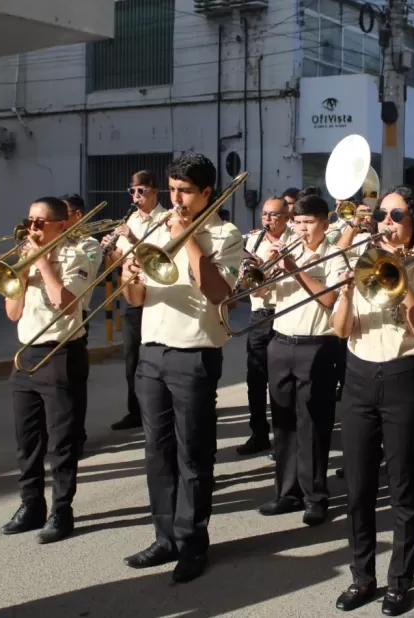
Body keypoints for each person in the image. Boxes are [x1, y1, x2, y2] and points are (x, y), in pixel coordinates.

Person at [120, 153, 242, 583]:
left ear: (207, 192)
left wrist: (186, 238)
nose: (176, 199)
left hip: (194, 353)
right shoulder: (154, 226)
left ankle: (192, 542)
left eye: (185, 191)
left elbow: (219, 293)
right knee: (157, 452)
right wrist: (129, 276)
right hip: (152, 350)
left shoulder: (226, 235)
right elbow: (136, 299)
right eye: (172, 190)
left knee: (193, 454)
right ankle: (164, 537)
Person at [331, 187, 414, 616]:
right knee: (359, 487)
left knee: (404, 487)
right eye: (382, 215)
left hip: (403, 378)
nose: (386, 223)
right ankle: (362, 577)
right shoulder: (362, 262)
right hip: (359, 377)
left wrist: (400, 276)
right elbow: (341, 330)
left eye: (397, 216)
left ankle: (400, 581)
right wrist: (347, 291)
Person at [0, 197, 93, 544]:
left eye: (40, 223)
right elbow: (12, 312)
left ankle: (62, 510)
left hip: (61, 353)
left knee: (62, 442)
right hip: (26, 355)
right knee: (27, 440)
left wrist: (42, 261)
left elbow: (66, 304)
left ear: (61, 225)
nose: (32, 228)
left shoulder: (77, 257)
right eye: (29, 221)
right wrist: (23, 272)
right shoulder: (23, 256)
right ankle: (31, 505)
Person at [256, 194, 343, 526]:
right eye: (297, 222)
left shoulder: (336, 255)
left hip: (317, 345)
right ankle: (287, 492)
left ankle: (315, 496)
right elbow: (259, 294)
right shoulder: (286, 250)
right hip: (280, 341)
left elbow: (331, 299)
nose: (301, 229)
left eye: (308, 222)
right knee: (283, 422)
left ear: (325, 223)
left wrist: (295, 270)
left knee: (313, 423)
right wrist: (263, 271)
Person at [101, 170, 168, 431]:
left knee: (156, 355)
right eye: (133, 191)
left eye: (142, 191)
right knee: (132, 356)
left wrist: (131, 238)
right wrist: (109, 249)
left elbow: (158, 256)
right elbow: (119, 259)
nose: (136, 196)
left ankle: (159, 409)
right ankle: (135, 411)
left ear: (155, 191)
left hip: (157, 295)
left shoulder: (165, 219)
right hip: (132, 291)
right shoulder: (131, 218)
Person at [238, 197, 295, 456]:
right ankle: (259, 433)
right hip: (259, 314)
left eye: (273, 215)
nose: (267, 219)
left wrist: (280, 258)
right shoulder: (252, 241)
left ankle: (285, 438)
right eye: (264, 214)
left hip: (286, 313)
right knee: (256, 378)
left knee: (282, 382)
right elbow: (245, 282)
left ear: (286, 216)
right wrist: (260, 266)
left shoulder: (295, 238)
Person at [61, 194, 102, 454]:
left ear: (78, 215)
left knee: (73, 380)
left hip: (77, 313)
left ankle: (76, 436)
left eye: (62, 215)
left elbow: (86, 271)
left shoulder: (89, 245)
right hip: (47, 314)